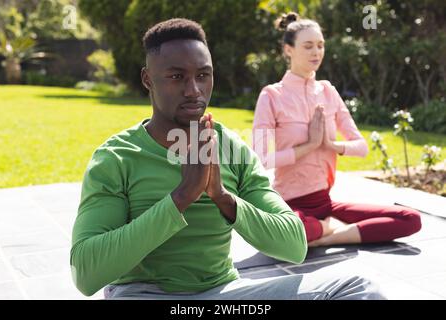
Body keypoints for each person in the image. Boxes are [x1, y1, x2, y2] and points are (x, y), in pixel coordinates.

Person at [71, 18, 385, 300]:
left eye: (203, 76)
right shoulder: (117, 158)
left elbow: (293, 246)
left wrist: (223, 198)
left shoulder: (232, 150)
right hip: (144, 294)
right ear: (148, 79)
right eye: (177, 77)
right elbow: (86, 274)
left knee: (360, 286)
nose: (194, 90)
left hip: (224, 296)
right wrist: (181, 197)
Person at [252, 12, 421, 248]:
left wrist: (330, 145)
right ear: (288, 49)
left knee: (410, 219)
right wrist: (308, 146)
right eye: (308, 46)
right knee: (282, 232)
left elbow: (361, 147)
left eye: (320, 45)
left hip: (325, 203)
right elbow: (260, 160)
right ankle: (326, 228)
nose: (316, 52)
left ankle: (327, 236)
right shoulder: (271, 96)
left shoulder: (328, 92)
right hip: (288, 205)